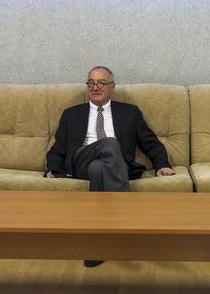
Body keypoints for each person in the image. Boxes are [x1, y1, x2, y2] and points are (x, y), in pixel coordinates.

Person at [45, 66, 176, 267]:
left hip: (113, 164)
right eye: (91, 82)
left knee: (99, 167)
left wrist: (162, 165)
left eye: (101, 83)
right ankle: (125, 226)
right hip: (81, 160)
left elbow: (150, 142)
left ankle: (97, 248)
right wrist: (53, 169)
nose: (95, 87)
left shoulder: (130, 113)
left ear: (112, 87)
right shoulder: (71, 114)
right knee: (110, 142)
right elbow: (58, 148)